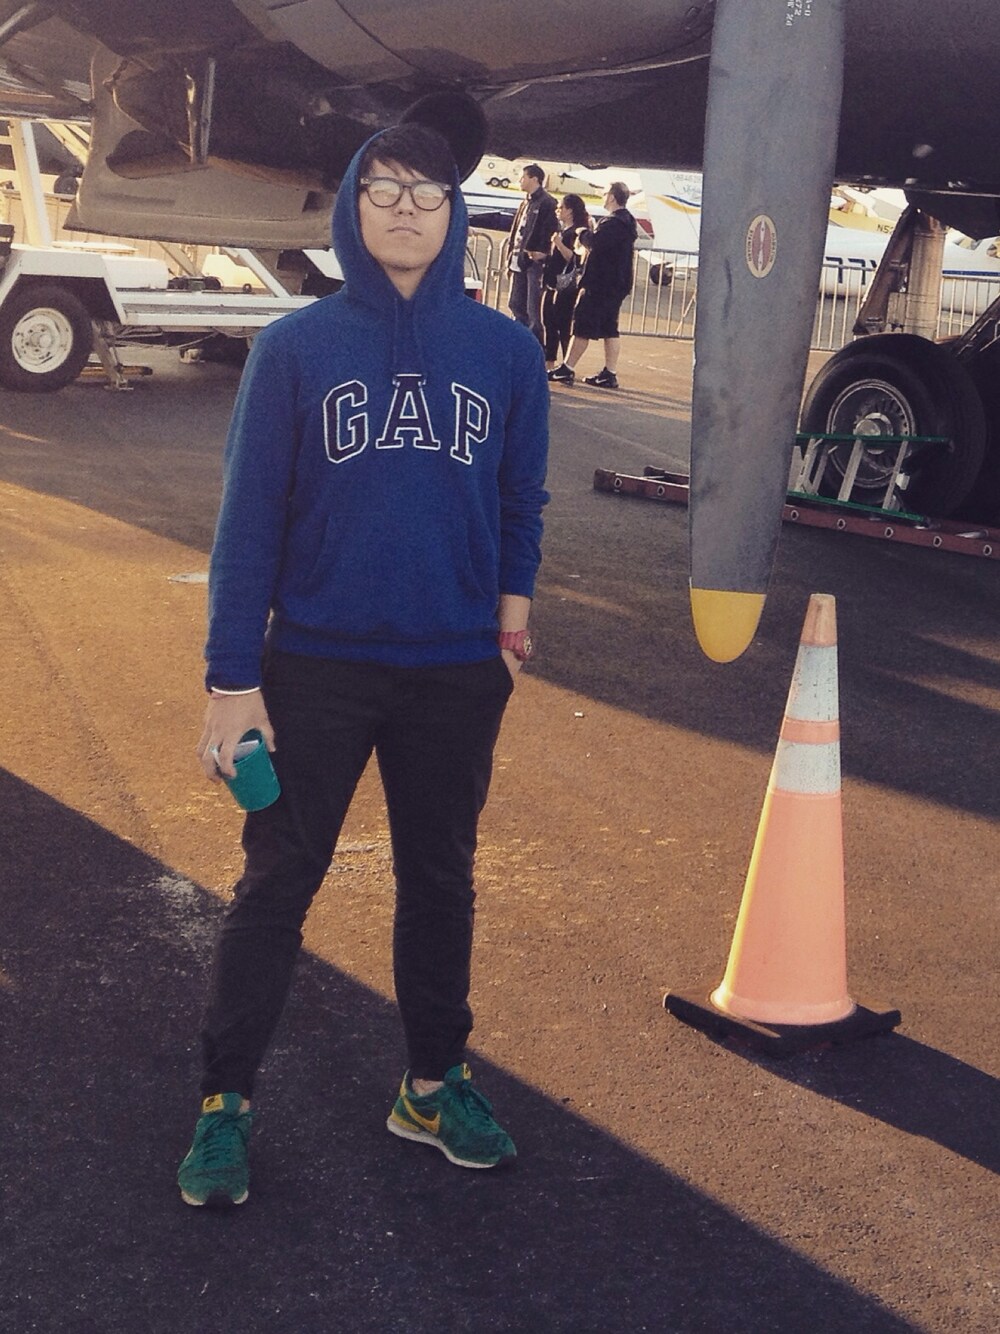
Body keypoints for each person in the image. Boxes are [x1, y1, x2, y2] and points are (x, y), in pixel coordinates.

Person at [176, 123, 549, 1208]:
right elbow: (248, 522)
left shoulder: (505, 352)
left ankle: (431, 1086)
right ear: (350, 204)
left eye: (426, 192)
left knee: (440, 881)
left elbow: (520, 499)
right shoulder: (295, 349)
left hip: (453, 670)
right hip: (316, 666)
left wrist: (509, 625)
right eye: (381, 190)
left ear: (455, 212)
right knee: (276, 884)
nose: (403, 209)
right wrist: (231, 681)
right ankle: (224, 1102)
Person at [547, 182, 638, 389]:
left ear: (612, 197)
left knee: (582, 324)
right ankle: (609, 372)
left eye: (605, 193)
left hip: (600, 283)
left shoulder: (613, 223)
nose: (603, 196)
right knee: (610, 328)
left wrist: (582, 233)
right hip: (616, 283)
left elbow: (596, 243)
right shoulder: (627, 222)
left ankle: (567, 367)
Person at [507, 163, 558, 344]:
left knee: (533, 310)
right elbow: (515, 231)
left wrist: (542, 253)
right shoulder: (525, 202)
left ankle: (536, 347)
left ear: (534, 179)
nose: (520, 180)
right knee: (515, 303)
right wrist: (509, 257)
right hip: (518, 260)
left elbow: (550, 230)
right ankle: (519, 342)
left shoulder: (547, 203)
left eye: (523, 177)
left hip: (534, 264)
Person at [540, 193, 591, 372]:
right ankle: (549, 363)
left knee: (563, 326)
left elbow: (574, 258)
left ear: (569, 211)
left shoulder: (577, 233)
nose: (558, 210)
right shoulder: (562, 230)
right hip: (552, 282)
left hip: (566, 287)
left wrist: (559, 244)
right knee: (548, 323)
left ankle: (567, 365)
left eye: (561, 207)